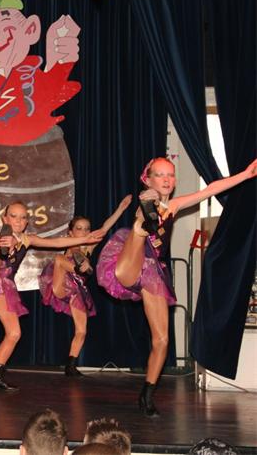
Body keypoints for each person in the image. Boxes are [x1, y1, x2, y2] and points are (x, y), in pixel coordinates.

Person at [97, 157, 257, 417]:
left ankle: (147, 393)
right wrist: (146, 204)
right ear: (148, 179)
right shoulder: (149, 197)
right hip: (130, 260)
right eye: (160, 175)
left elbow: (211, 189)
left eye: (170, 175)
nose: (167, 180)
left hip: (153, 273)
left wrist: (245, 174)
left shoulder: (173, 206)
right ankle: (142, 226)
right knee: (141, 222)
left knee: (162, 340)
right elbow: (146, 199)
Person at [0, 202, 102, 391]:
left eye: (23, 217)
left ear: (27, 221)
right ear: (5, 219)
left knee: (14, 333)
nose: (19, 221)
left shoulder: (27, 239)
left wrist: (84, 239)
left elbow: (56, 243)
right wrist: (3, 242)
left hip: (4, 286)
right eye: (14, 216)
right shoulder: (1, 238)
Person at [38, 195, 132, 376]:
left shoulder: (89, 247)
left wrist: (121, 208)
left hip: (78, 289)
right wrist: (78, 268)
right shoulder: (69, 243)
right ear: (71, 232)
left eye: (87, 229)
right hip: (61, 283)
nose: (83, 232)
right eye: (79, 229)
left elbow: (104, 228)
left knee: (81, 330)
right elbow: (58, 258)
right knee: (59, 258)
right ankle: (79, 267)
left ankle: (71, 365)